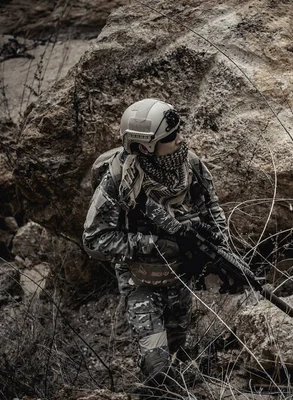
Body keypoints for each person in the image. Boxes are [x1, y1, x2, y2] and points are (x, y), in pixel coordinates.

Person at [83, 98, 228, 394]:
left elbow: (213, 208)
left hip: (180, 276)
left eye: (178, 132)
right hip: (140, 281)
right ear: (145, 146)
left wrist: (219, 247)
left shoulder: (190, 164)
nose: (180, 140)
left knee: (175, 350)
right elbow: (94, 239)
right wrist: (153, 244)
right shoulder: (119, 178)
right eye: (170, 137)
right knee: (157, 366)